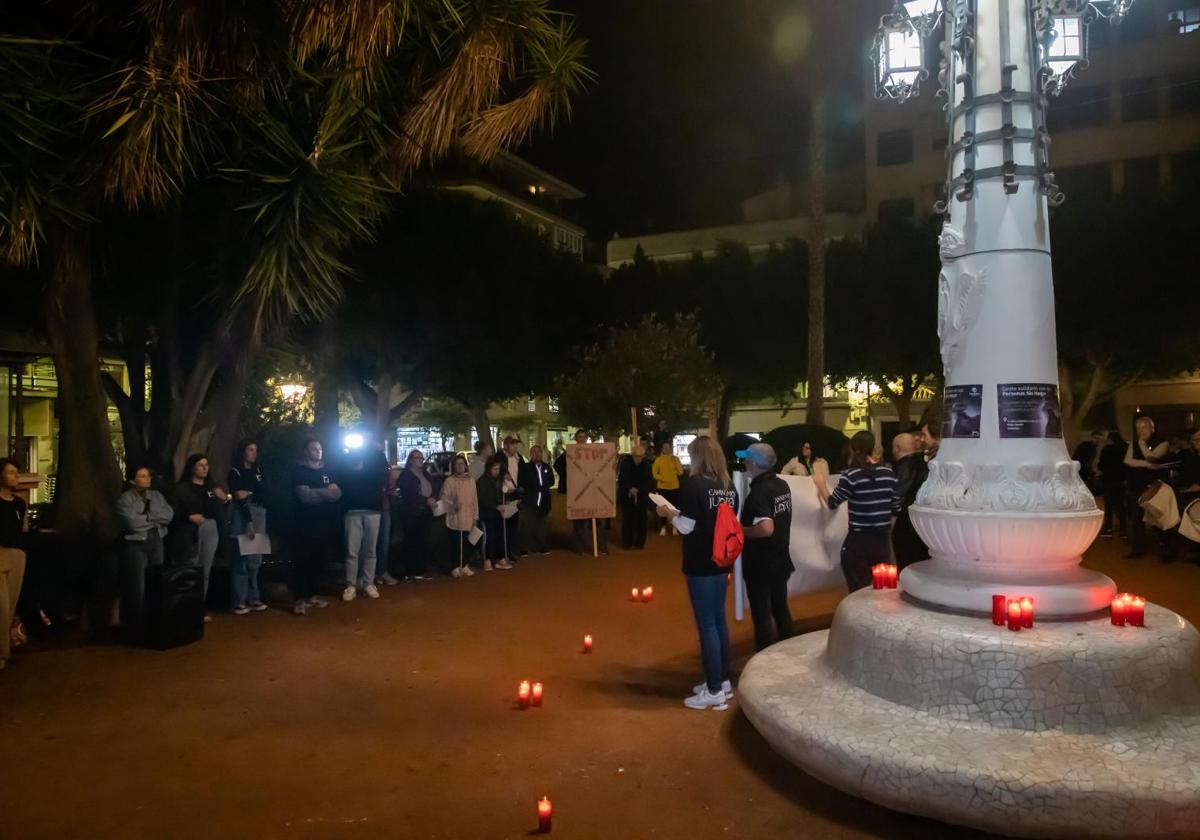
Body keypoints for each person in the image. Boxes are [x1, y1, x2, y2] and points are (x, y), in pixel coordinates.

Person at [657, 435, 739, 711]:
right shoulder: (728, 487)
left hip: (701, 562)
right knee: (718, 621)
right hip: (722, 560)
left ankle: (714, 689)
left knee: (707, 625)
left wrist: (668, 513)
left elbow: (686, 527)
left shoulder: (695, 485)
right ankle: (721, 680)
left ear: (699, 457)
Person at [820, 431, 897, 592]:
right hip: (882, 543)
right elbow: (896, 508)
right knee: (885, 590)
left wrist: (820, 484)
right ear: (872, 448)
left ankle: (862, 617)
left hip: (858, 542)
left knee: (859, 592)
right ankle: (883, 617)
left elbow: (833, 503)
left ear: (853, 449)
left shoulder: (851, 476)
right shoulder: (889, 474)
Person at [738, 444, 794, 652]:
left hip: (761, 563)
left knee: (762, 613)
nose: (744, 463)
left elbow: (766, 528)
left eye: (747, 460)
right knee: (780, 608)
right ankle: (791, 652)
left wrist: (741, 530)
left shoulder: (758, 493)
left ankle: (764, 660)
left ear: (754, 464)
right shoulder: (782, 485)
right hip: (781, 559)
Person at [114, 464, 174, 632]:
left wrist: (147, 517)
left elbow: (168, 515)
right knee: (137, 586)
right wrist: (154, 519)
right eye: (142, 476)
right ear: (133, 480)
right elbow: (132, 524)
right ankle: (136, 624)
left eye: (148, 475)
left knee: (155, 581)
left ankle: (155, 620)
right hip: (135, 544)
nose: (147, 479)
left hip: (156, 540)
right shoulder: (125, 500)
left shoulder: (156, 496)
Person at [171, 453, 228, 618]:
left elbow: (221, 507)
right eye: (200, 465)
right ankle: (183, 608)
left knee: (205, 570)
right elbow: (173, 511)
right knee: (189, 567)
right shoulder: (181, 488)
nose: (205, 468)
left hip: (211, 527)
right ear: (192, 468)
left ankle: (198, 607)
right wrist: (188, 516)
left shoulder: (211, 488)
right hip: (190, 529)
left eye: (207, 465)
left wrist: (225, 499)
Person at [289, 439, 340, 615]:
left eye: (320, 448)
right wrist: (326, 492)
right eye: (313, 448)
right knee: (302, 561)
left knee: (318, 561)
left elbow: (337, 494)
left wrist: (318, 491)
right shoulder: (299, 471)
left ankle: (312, 594)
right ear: (306, 451)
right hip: (303, 525)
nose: (318, 451)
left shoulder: (327, 470)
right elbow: (305, 496)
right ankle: (299, 599)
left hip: (322, 524)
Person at [227, 439, 269, 615]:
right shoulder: (235, 471)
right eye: (250, 449)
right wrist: (248, 520)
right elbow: (238, 495)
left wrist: (249, 492)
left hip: (260, 512)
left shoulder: (258, 470)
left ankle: (253, 597)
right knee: (241, 559)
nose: (253, 453)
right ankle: (239, 600)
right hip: (243, 515)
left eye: (255, 450)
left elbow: (263, 491)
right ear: (243, 451)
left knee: (255, 560)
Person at [340, 446, 387, 600]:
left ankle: (368, 583)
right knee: (352, 551)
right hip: (352, 510)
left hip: (372, 509)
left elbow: (381, 478)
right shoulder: (346, 458)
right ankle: (350, 585)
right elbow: (343, 481)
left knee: (370, 550)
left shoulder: (376, 457)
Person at [1123, 416, 1170, 558]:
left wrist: (1143, 446)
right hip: (1135, 485)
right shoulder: (1134, 443)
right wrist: (1147, 465)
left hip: (1153, 486)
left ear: (1152, 427)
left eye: (1144, 427)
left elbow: (1152, 457)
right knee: (1136, 520)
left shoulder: (1163, 443)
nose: (1140, 431)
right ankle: (1138, 550)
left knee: (1157, 518)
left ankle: (1166, 551)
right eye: (1138, 428)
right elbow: (1128, 461)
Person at [557, 429, 608, 555]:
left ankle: (600, 547)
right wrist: (571, 477)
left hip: (592, 491)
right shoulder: (570, 453)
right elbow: (558, 465)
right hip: (577, 492)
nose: (582, 439)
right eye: (580, 437)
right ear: (576, 438)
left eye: (584, 437)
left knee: (595, 520)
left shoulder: (593, 452)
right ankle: (580, 547)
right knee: (579, 521)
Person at [0, 458, 29, 670]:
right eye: (10, 472)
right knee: (1, 605)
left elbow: (23, 529)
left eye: (16, 472)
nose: (15, 477)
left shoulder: (20, 503)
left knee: (10, 604)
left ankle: (4, 649)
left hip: (16, 553)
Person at [890, 432, 930, 570]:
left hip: (906, 526)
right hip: (924, 525)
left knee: (907, 566)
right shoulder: (925, 465)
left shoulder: (904, 468)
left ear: (896, 448)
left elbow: (897, 495)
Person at [396, 449, 437, 581]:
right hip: (412, 512)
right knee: (412, 541)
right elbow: (409, 495)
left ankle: (420, 568)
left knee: (423, 541)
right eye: (417, 458)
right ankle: (411, 570)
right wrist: (425, 500)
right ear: (411, 460)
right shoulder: (407, 475)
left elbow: (433, 486)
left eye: (421, 458)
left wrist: (432, 498)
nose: (420, 460)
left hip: (425, 511)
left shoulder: (425, 473)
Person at [440, 454, 480, 577]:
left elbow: (475, 499)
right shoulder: (449, 481)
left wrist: (476, 516)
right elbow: (444, 497)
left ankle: (465, 564)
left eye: (462, 464)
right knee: (455, 544)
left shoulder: (471, 480)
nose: (459, 466)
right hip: (455, 517)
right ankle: (455, 566)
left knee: (468, 543)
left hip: (469, 516)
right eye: (457, 464)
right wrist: (452, 504)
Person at [476, 456, 515, 571]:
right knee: (489, 537)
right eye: (494, 469)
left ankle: (500, 558)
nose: (497, 471)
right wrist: (495, 506)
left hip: (499, 512)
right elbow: (481, 499)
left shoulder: (499, 480)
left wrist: (505, 501)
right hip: (487, 513)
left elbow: (502, 494)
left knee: (500, 535)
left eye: (498, 469)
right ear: (489, 469)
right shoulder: (482, 481)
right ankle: (487, 559)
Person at [520, 445, 554, 555]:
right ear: (530, 454)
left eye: (538, 452)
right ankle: (524, 547)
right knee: (526, 525)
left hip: (544, 502)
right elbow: (522, 482)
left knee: (541, 525)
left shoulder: (547, 467)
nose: (536, 454)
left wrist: (543, 487)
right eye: (534, 452)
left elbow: (551, 481)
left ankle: (541, 546)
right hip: (529, 501)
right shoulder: (525, 467)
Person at [618, 444, 652, 549]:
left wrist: (639, 489)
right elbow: (622, 479)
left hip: (642, 495)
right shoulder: (625, 464)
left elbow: (648, 480)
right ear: (632, 455)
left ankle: (640, 543)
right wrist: (630, 488)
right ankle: (627, 542)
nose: (638, 459)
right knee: (628, 519)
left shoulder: (647, 465)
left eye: (640, 456)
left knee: (642, 520)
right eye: (636, 456)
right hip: (627, 495)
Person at [500, 436, 527, 559]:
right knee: (503, 526)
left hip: (516, 494)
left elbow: (522, 475)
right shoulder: (499, 458)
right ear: (505, 445)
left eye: (516, 444)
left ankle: (510, 550)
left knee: (513, 525)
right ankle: (503, 552)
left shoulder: (519, 458)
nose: (515, 447)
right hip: (504, 495)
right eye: (512, 444)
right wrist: (502, 477)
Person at [1098, 430, 1128, 538]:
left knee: (1109, 505)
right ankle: (1123, 529)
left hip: (1108, 480)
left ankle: (1108, 528)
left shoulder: (1106, 449)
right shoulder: (1126, 448)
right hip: (1121, 480)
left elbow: (1101, 465)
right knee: (1120, 505)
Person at [652, 441, 684, 536]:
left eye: (668, 447)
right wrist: (662, 478)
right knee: (663, 508)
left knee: (674, 508)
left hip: (674, 487)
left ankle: (675, 527)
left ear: (670, 448)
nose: (666, 449)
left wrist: (675, 462)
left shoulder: (675, 459)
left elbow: (680, 472)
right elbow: (654, 474)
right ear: (662, 449)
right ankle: (663, 527)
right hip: (662, 487)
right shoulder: (658, 460)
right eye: (664, 447)